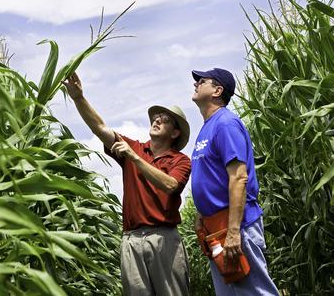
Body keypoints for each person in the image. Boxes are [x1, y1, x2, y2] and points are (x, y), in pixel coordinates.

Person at [62, 73, 191, 296]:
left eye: (165, 119)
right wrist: (78, 98)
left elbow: (170, 185)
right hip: (131, 240)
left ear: (175, 132)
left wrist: (134, 158)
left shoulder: (180, 160)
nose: (157, 120)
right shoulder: (134, 147)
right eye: (156, 117)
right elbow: (100, 128)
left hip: (164, 239)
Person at [189, 68, 279, 295]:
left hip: (236, 225)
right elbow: (211, 175)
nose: (196, 83)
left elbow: (238, 177)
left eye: (202, 80)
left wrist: (233, 232)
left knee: (256, 292)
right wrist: (201, 215)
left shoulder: (225, 124)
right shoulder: (207, 128)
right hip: (216, 228)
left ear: (218, 90)